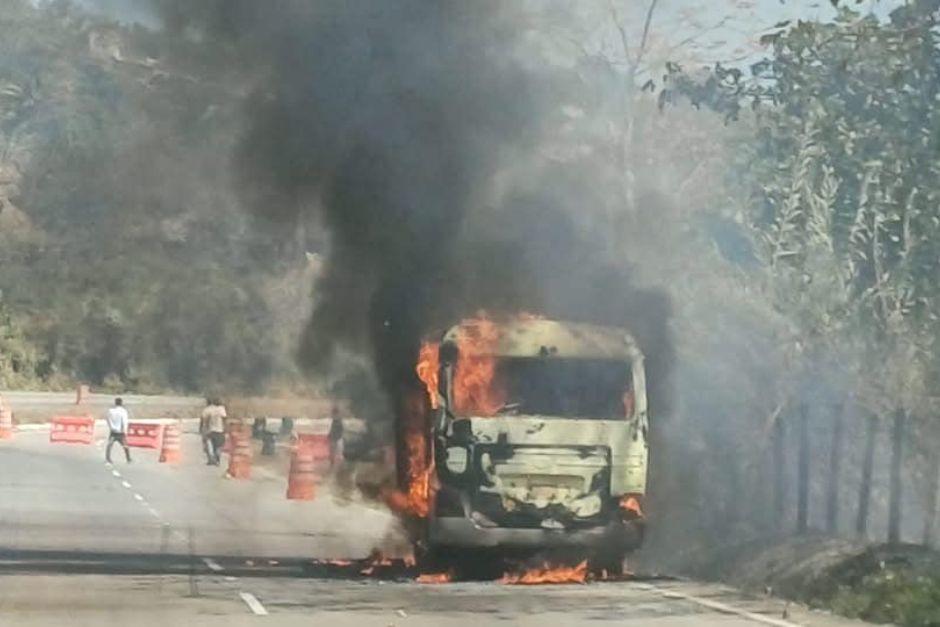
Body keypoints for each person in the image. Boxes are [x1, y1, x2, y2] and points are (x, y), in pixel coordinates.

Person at [201, 398, 227, 466]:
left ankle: (211, 459)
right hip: (219, 430)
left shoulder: (209, 410)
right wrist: (225, 428)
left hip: (211, 430)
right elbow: (224, 419)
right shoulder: (221, 409)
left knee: (210, 445)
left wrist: (204, 429)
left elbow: (205, 420)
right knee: (218, 446)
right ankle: (217, 460)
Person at [106, 397, 131, 464]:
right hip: (121, 432)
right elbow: (125, 421)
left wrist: (111, 427)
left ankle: (108, 458)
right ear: (121, 403)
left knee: (109, 445)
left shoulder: (111, 411)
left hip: (113, 431)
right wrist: (125, 431)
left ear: (115, 403)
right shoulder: (123, 411)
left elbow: (108, 419)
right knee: (125, 445)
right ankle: (128, 458)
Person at [327, 405, 344, 469]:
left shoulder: (338, 421)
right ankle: (334, 465)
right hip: (335, 438)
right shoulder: (335, 421)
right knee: (334, 453)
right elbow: (333, 430)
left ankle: (336, 466)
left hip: (337, 439)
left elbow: (340, 430)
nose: (333, 415)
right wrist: (330, 435)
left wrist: (332, 436)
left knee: (337, 453)